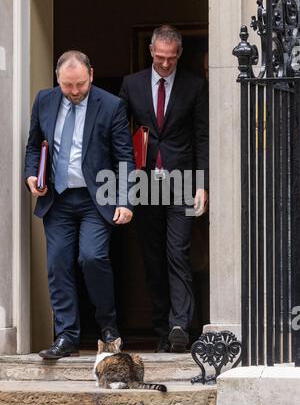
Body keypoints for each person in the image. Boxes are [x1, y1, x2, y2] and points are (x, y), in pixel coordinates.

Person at [25, 51, 135, 359]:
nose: (74, 92)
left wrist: (125, 200)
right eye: (68, 86)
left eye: (80, 85)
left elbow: (125, 157)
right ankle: (67, 336)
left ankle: (108, 327)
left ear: (92, 75)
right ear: (58, 80)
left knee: (92, 256)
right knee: (58, 264)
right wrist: (31, 175)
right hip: (57, 198)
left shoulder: (111, 105)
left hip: (95, 199)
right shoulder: (44, 101)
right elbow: (34, 145)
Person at [119, 25, 209, 352]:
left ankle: (180, 325)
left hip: (182, 180)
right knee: (153, 258)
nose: (166, 64)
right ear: (151, 52)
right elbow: (119, 135)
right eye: (160, 58)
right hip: (145, 183)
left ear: (179, 54)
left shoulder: (195, 87)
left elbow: (202, 137)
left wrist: (202, 184)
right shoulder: (131, 85)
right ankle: (161, 327)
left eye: (171, 58)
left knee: (179, 253)